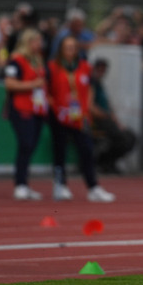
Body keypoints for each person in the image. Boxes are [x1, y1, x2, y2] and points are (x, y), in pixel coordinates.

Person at [45, 35, 115, 203]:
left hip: (80, 116)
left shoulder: (84, 67)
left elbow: (90, 88)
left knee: (87, 150)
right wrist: (56, 108)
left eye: (73, 47)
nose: (70, 50)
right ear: (61, 49)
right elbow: (47, 91)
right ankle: (60, 185)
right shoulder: (52, 67)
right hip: (60, 116)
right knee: (59, 152)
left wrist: (86, 107)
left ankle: (93, 187)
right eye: (67, 47)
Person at [3, 28, 49, 200]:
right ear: (27, 42)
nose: (39, 44)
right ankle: (20, 184)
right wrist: (32, 85)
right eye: (36, 41)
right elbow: (9, 84)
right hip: (21, 108)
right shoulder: (16, 60)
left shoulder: (38, 59)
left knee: (31, 146)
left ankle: (25, 183)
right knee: (25, 144)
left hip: (37, 108)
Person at [89, 58, 137, 173]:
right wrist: (105, 115)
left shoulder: (101, 86)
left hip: (108, 119)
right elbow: (90, 107)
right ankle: (103, 161)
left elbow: (109, 106)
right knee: (121, 139)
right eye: (99, 70)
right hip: (98, 120)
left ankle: (109, 162)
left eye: (103, 70)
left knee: (131, 137)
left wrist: (117, 121)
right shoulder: (91, 84)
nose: (101, 73)